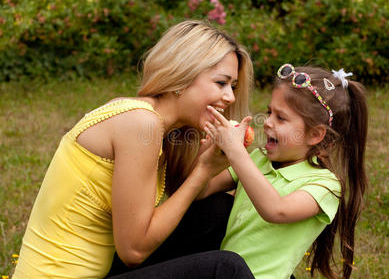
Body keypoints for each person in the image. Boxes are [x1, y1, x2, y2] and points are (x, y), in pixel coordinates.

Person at [13, 20, 255, 279]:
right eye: (221, 83)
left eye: (233, 87)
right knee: (225, 269)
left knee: (215, 211)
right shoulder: (140, 123)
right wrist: (203, 170)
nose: (230, 97)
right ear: (182, 76)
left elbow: (196, 195)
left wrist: (248, 164)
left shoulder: (160, 127)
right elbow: (133, 250)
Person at [202, 64, 368, 279]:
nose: (268, 122)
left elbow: (276, 210)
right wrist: (208, 156)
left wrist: (236, 152)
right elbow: (201, 191)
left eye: (281, 118)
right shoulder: (259, 160)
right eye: (269, 112)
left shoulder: (324, 185)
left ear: (315, 135)